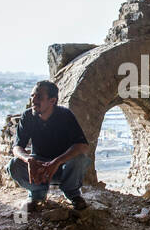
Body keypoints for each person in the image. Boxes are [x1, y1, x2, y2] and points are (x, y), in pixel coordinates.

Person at [9, 80, 91, 211]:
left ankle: (73, 194)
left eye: (39, 97)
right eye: (32, 96)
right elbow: (17, 147)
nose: (33, 100)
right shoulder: (28, 116)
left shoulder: (65, 115)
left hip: (63, 167)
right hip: (39, 168)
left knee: (80, 159)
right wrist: (29, 159)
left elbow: (82, 145)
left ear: (52, 101)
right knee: (14, 164)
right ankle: (37, 194)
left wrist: (57, 162)